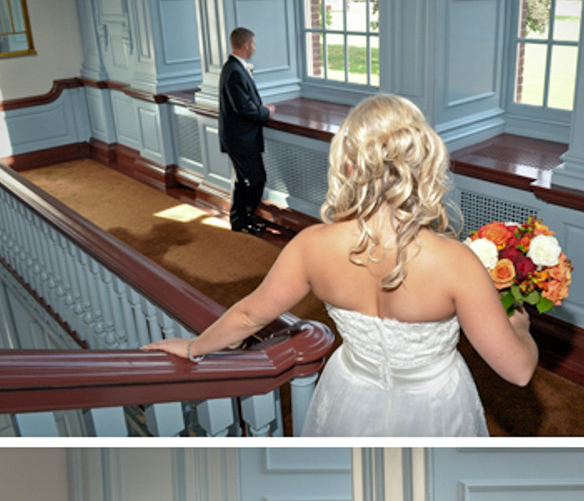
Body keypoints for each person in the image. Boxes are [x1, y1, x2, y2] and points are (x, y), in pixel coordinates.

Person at [142, 93, 538, 436]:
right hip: (435, 404)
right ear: (422, 167)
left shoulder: (311, 246)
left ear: (348, 166)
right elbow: (518, 371)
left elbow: (247, 317)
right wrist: (519, 325)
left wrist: (193, 346)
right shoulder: (455, 262)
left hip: (350, 391)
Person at [219, 27, 274, 234]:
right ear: (246, 45)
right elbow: (243, 108)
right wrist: (266, 113)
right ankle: (242, 219)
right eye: (254, 44)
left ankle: (240, 220)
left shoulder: (234, 68)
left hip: (240, 138)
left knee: (244, 180)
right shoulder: (234, 71)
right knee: (254, 180)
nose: (255, 48)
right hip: (240, 139)